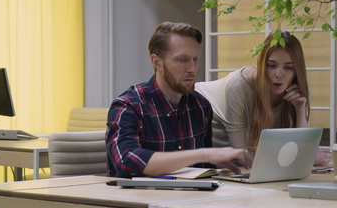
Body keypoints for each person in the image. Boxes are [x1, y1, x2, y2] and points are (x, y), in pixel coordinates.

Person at [105, 21, 252, 179]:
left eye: (195, 59)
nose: (192, 69)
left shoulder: (201, 106)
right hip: (138, 200)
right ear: (157, 62)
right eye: (182, 60)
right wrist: (202, 154)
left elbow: (204, 172)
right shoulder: (128, 106)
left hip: (188, 200)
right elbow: (126, 162)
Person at [195, 31, 331, 163]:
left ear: (296, 71)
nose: (278, 74)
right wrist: (305, 157)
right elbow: (243, 156)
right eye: (271, 66)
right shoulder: (239, 87)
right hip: (200, 120)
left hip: (245, 157)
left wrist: (300, 109)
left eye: (288, 67)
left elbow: (300, 148)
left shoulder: (299, 92)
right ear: (261, 65)